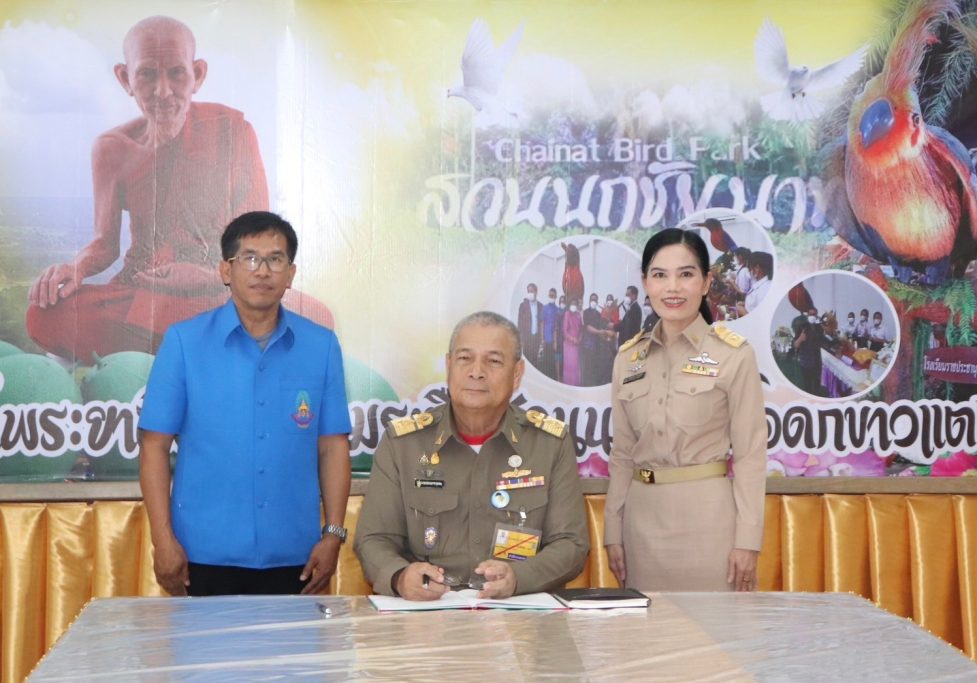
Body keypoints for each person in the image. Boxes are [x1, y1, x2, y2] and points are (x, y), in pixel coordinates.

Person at [25, 16, 331, 363]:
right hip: (145, 294)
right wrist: (76, 268)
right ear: (125, 78)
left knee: (314, 316)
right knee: (45, 314)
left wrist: (204, 277)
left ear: (197, 74)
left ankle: (175, 349)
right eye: (147, 74)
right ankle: (216, 349)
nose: (163, 92)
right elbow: (105, 245)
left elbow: (257, 243)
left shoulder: (233, 132)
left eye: (176, 73)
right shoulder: (112, 148)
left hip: (220, 290)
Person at [138, 211, 351, 597]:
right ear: (226, 270)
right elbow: (154, 446)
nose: (263, 271)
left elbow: (333, 447)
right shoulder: (184, 342)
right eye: (250, 258)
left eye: (275, 259)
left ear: (291, 274)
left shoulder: (320, 346)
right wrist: (162, 540)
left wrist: (333, 535)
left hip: (297, 555)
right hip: (202, 554)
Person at [354, 311, 588, 600]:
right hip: (427, 614)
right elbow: (374, 539)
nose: (477, 372)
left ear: (517, 374)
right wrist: (400, 577)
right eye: (465, 358)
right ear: (449, 365)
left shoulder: (549, 445)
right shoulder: (403, 445)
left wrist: (519, 578)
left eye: (493, 361)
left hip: (519, 612)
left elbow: (570, 544)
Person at [604, 228, 766, 592]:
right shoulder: (628, 358)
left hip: (710, 526)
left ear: (706, 283)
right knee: (648, 628)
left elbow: (751, 455)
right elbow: (622, 454)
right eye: (660, 275)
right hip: (641, 527)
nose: (672, 288)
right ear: (645, 283)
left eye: (686, 274)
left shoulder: (734, 355)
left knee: (716, 626)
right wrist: (613, 529)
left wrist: (748, 540)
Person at [793, 307, 825, 396]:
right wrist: (800, 339)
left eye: (814, 314)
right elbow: (795, 344)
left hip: (817, 361)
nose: (812, 316)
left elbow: (823, 342)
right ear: (807, 315)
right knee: (807, 386)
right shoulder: (802, 327)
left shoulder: (819, 328)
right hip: (806, 361)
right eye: (810, 314)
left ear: (816, 315)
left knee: (817, 386)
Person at [517, 283, 543, 366]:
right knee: (527, 360)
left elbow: (542, 323)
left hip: (536, 337)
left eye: (532, 291)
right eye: (528, 291)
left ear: (536, 292)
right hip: (526, 337)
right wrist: (520, 338)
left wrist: (541, 338)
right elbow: (520, 323)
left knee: (535, 360)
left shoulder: (540, 306)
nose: (530, 293)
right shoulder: (523, 306)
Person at [539, 288, 560, 380]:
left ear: (556, 297)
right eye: (550, 295)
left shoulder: (557, 310)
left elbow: (557, 326)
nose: (551, 297)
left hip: (554, 340)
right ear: (548, 296)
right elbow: (542, 323)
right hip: (546, 339)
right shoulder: (544, 308)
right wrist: (542, 339)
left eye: (553, 295)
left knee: (552, 362)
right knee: (545, 362)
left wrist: (555, 341)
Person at [561, 299, 583, 386]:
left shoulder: (578, 315)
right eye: (572, 303)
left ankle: (575, 384)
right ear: (569, 305)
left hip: (576, 344)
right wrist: (573, 339)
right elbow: (565, 331)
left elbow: (581, 329)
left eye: (575, 304)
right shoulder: (567, 314)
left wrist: (579, 339)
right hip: (569, 344)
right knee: (569, 364)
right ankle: (568, 384)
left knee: (575, 365)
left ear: (577, 306)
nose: (573, 305)